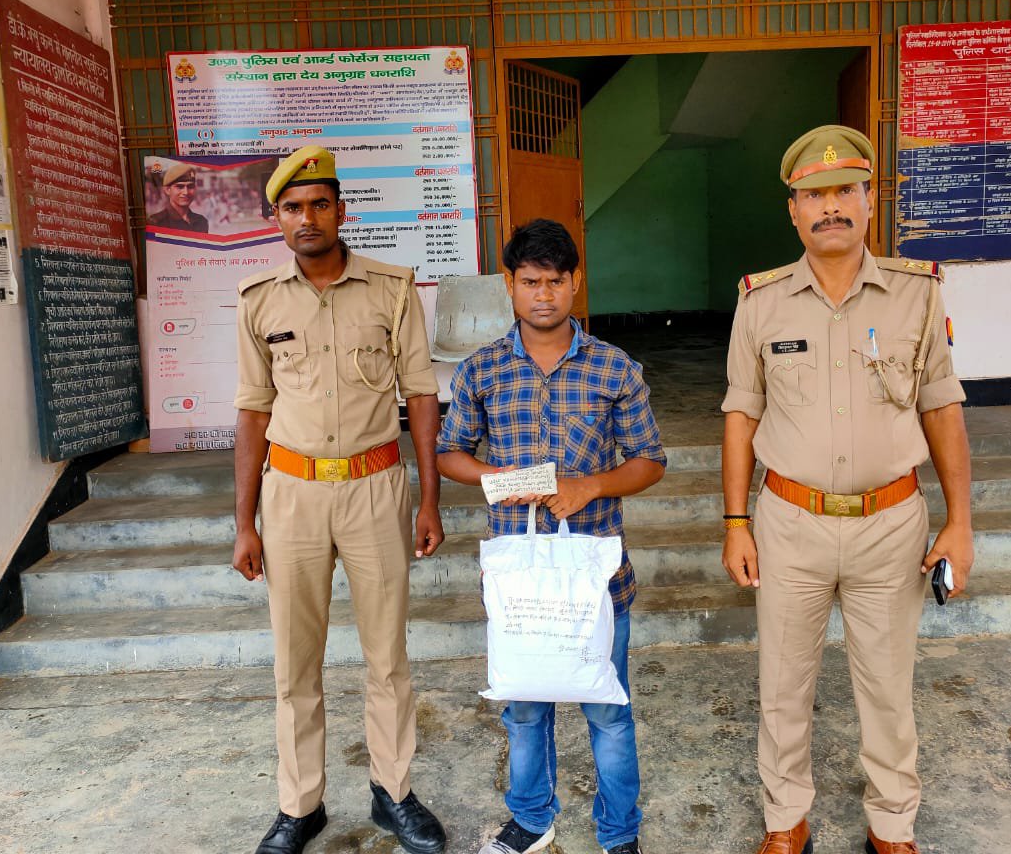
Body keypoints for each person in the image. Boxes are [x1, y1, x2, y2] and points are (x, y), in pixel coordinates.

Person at [720, 125, 974, 854]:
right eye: (813, 195)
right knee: (782, 686)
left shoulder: (916, 295)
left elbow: (941, 409)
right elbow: (741, 414)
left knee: (889, 689)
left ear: (869, 201)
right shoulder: (760, 301)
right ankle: (785, 819)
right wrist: (736, 522)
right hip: (789, 522)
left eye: (844, 191)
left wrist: (959, 522)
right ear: (793, 211)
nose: (829, 207)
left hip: (890, 524)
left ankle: (892, 825)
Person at [232, 145, 448, 854]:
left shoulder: (392, 289)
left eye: (320, 204)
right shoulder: (259, 301)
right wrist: (244, 523)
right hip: (291, 495)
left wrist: (428, 500)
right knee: (295, 662)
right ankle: (300, 806)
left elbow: (421, 395)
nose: (308, 218)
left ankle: (394, 793)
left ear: (341, 211)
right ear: (278, 218)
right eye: (293, 207)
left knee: (387, 656)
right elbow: (253, 413)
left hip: (375, 490)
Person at [436, 219, 667, 854]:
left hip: (596, 580)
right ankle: (532, 820)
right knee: (525, 710)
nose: (543, 295)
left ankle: (619, 833)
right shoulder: (482, 370)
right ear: (510, 285)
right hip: (519, 577)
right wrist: (499, 477)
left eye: (555, 282)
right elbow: (449, 453)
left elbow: (650, 461)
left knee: (609, 714)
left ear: (575, 284)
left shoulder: (614, 368)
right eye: (530, 282)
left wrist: (590, 485)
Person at [147, 163, 209, 233]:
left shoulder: (201, 222)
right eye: (180, 187)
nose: (186, 192)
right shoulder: (156, 223)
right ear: (167, 190)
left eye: (190, 186)